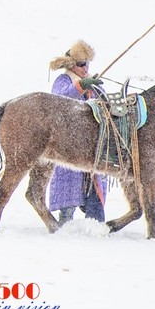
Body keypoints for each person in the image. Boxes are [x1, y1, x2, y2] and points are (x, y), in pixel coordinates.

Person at [47, 39, 106, 224]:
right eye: (81, 64)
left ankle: (96, 224)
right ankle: (65, 224)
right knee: (69, 183)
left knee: (93, 186)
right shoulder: (63, 80)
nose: (85, 68)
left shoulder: (92, 84)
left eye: (87, 64)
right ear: (72, 65)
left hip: (91, 146)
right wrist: (82, 86)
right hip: (68, 144)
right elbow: (60, 98)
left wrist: (97, 89)